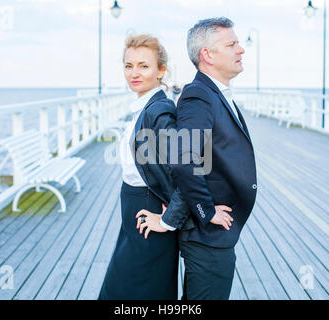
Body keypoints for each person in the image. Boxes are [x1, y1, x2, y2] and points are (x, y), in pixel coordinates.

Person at [136, 17, 258, 300]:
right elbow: (185, 158)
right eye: (232, 44)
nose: (241, 50)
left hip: (214, 235)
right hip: (207, 234)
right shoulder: (198, 95)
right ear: (208, 55)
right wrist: (206, 210)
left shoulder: (215, 93)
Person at [98, 34, 187, 300]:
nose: (134, 73)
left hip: (147, 212)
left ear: (161, 70)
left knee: (139, 289)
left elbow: (186, 166)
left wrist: (170, 218)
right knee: (130, 287)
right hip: (133, 210)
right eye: (128, 65)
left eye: (143, 66)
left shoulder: (159, 110)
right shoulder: (144, 105)